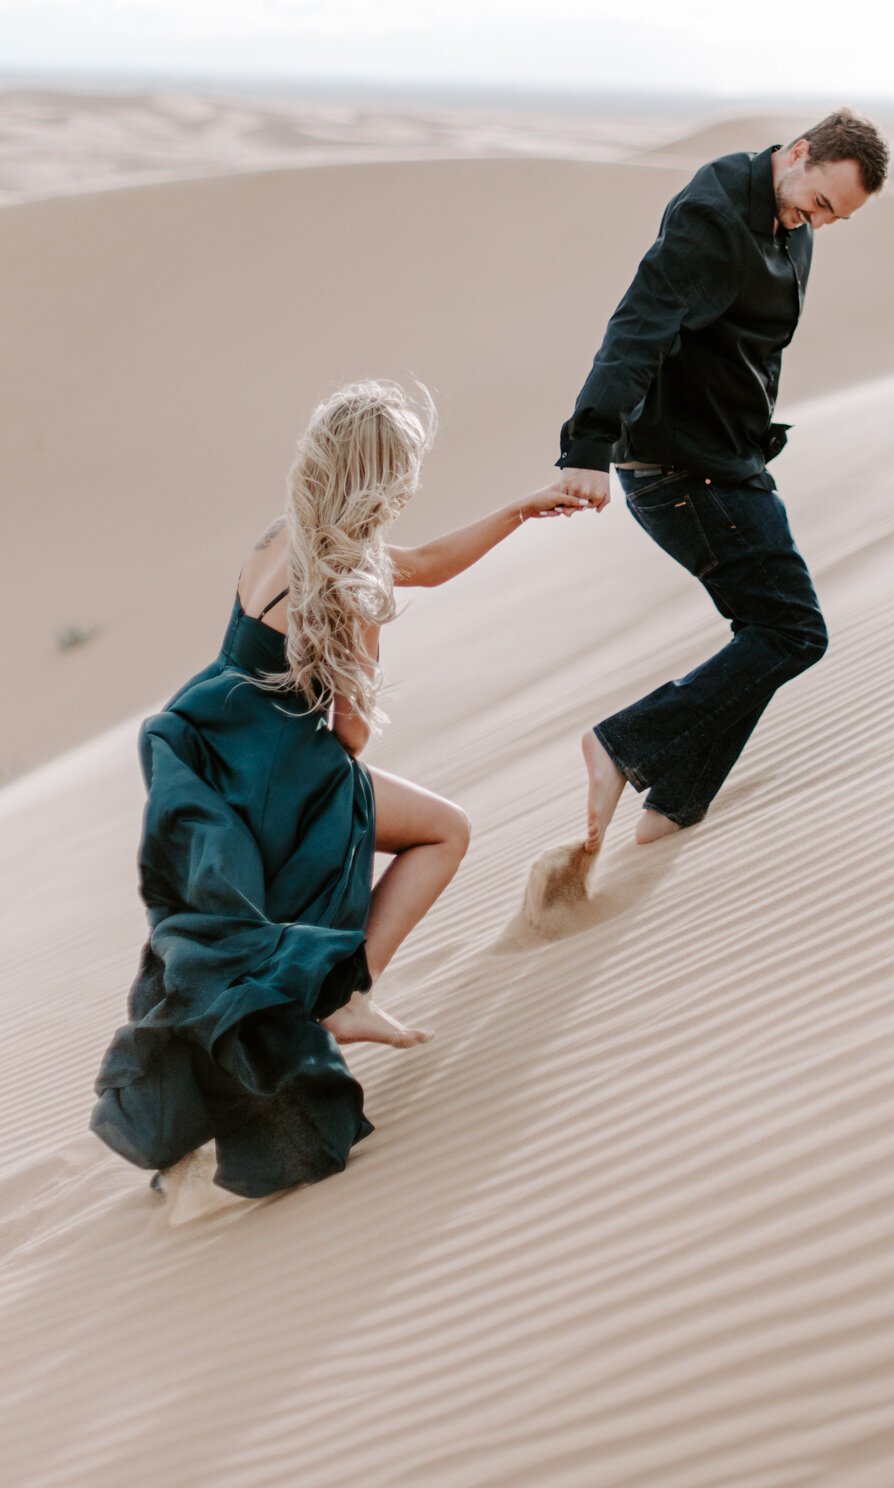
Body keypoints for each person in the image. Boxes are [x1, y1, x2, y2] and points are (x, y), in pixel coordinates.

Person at [92, 380, 588, 1199]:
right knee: (444, 830)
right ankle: (348, 994)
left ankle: (201, 1115)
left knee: (227, 945)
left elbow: (420, 565)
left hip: (215, 754)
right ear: (385, 480)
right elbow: (352, 733)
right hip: (284, 771)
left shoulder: (279, 539)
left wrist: (518, 510)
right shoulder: (350, 582)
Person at [557, 108, 888, 849]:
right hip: (681, 468)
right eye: (822, 202)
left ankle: (672, 807)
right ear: (797, 152)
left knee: (765, 631)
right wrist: (587, 443)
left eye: (839, 216)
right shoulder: (712, 215)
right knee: (793, 631)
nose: (822, 223)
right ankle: (624, 745)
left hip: (727, 462)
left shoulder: (791, 223)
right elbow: (638, 325)